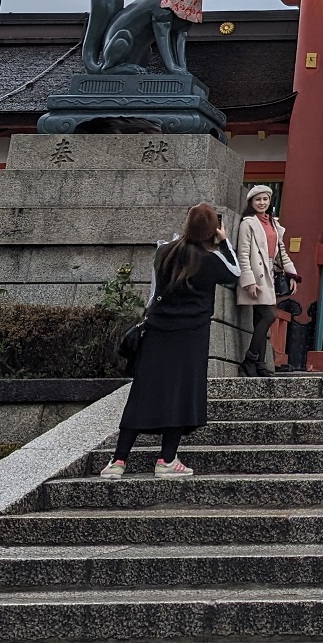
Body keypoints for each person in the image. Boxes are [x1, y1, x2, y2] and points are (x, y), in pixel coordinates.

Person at [101, 202, 239, 479]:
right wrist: (224, 243)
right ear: (213, 231)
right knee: (180, 394)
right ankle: (166, 459)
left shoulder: (163, 252)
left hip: (157, 332)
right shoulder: (211, 261)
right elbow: (235, 274)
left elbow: (154, 293)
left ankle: (117, 462)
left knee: (142, 395)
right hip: (191, 337)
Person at [233, 185, 298, 377]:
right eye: (257, 200)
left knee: (260, 319)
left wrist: (292, 274)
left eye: (265, 199)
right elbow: (243, 254)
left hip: (269, 273)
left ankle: (259, 366)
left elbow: (281, 253)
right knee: (269, 315)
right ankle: (250, 359)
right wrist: (249, 281)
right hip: (255, 274)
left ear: (270, 201)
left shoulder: (274, 224)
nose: (262, 203)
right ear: (251, 203)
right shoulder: (248, 223)